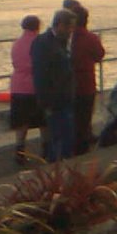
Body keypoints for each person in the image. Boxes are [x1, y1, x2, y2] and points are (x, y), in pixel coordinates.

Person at [31, 9, 76, 162]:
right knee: (57, 138)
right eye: (69, 27)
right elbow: (40, 74)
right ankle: (56, 168)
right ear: (60, 25)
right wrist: (45, 101)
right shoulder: (43, 43)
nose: (71, 31)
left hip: (64, 96)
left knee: (66, 136)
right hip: (54, 98)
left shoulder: (59, 42)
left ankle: (63, 164)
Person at [9, 14, 48, 165]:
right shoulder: (40, 42)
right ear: (38, 26)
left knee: (21, 121)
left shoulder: (17, 43)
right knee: (43, 121)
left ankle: (19, 149)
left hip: (18, 85)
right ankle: (45, 149)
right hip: (36, 86)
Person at [70, 6, 105, 155]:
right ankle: (82, 150)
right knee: (84, 117)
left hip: (67, 84)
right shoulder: (91, 38)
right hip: (86, 82)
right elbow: (99, 55)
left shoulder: (65, 39)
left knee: (71, 118)